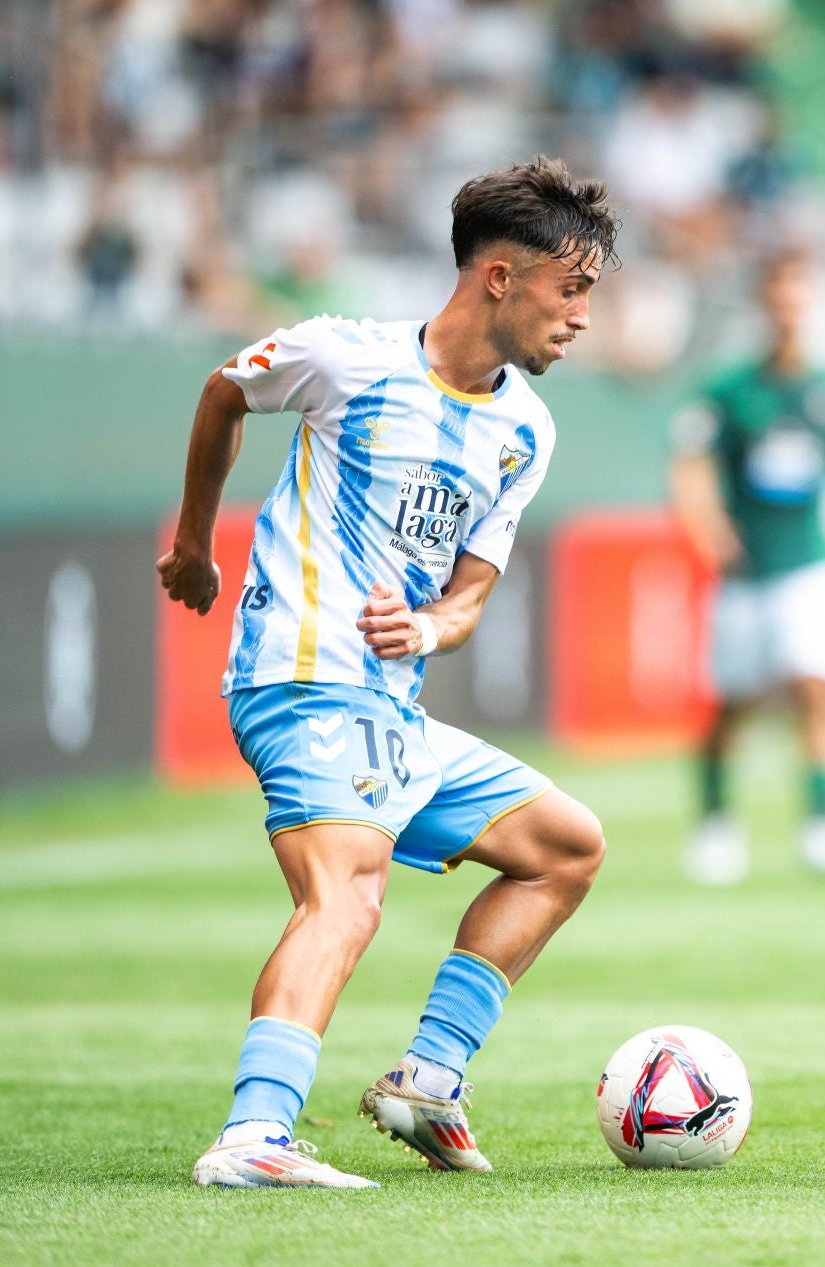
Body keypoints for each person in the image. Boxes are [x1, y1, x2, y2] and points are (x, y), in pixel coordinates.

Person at [157, 157, 618, 1189]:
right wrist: (194, 544)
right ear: (500, 277)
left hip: (386, 701)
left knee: (565, 848)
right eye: (572, 287)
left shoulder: (525, 430)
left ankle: (427, 1079)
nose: (584, 316)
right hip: (301, 672)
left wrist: (433, 629)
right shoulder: (343, 356)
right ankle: (254, 1133)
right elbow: (223, 394)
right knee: (349, 892)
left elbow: (468, 595)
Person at [669, 249, 825, 886]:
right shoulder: (730, 390)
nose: (788, 307)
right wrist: (707, 528)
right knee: (735, 704)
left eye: (799, 294)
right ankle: (717, 825)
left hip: (818, 565)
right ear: (763, 303)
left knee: (819, 685)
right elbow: (690, 464)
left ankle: (823, 826)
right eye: (778, 294)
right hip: (748, 572)